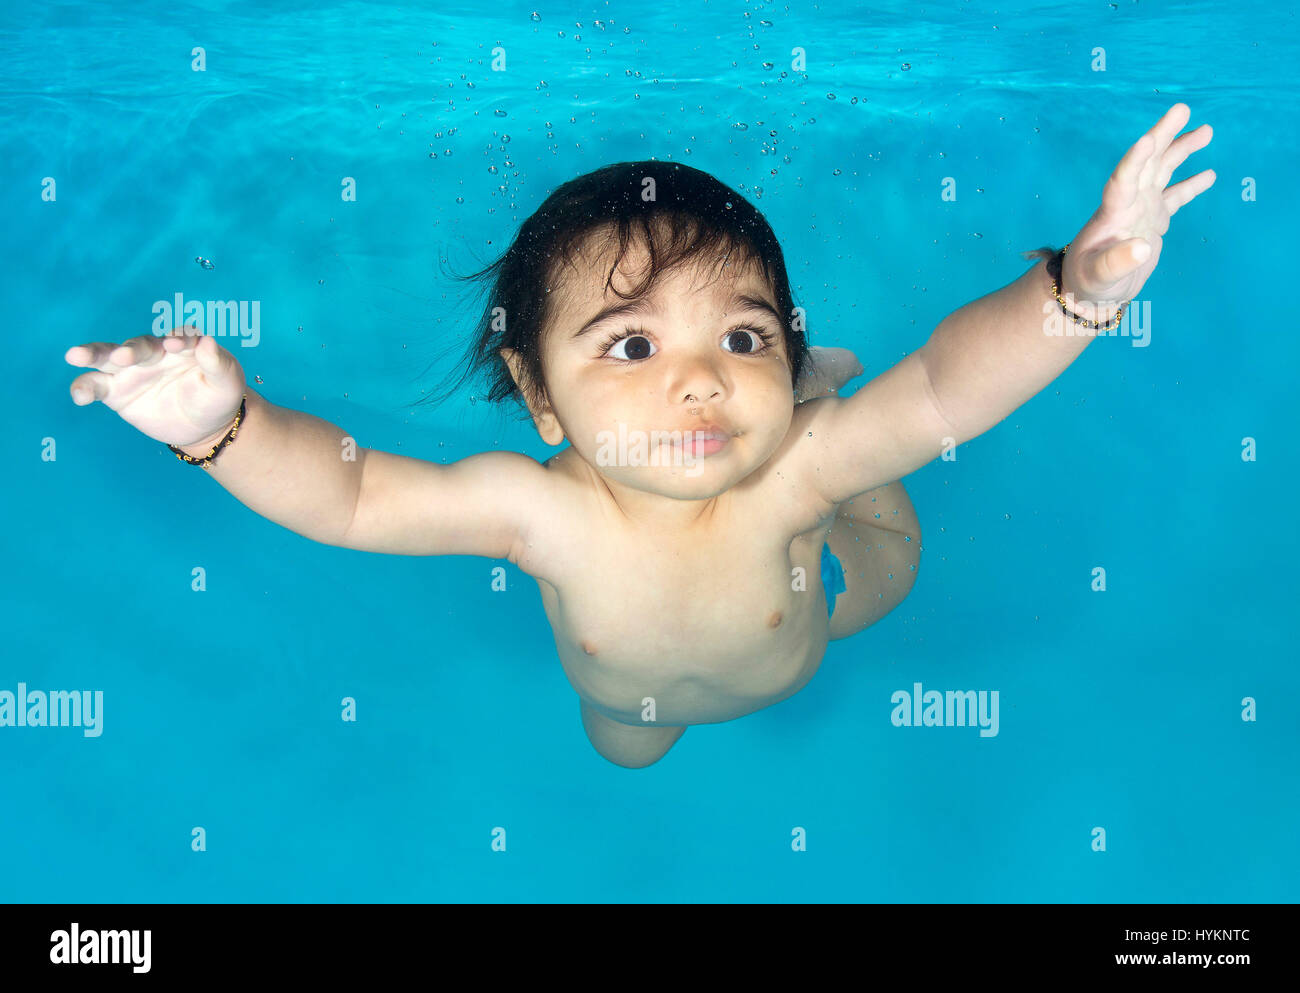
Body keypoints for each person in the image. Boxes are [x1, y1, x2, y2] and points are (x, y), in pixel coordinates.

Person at [64, 104, 1214, 768]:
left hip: (825, 595)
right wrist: (225, 426)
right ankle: (816, 384)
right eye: (631, 348)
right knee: (627, 746)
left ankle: (819, 391)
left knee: (881, 492)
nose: (703, 383)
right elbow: (352, 501)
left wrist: (1079, 291)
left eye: (747, 339)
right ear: (541, 396)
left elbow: (950, 390)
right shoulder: (537, 511)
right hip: (636, 696)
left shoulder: (789, 477)